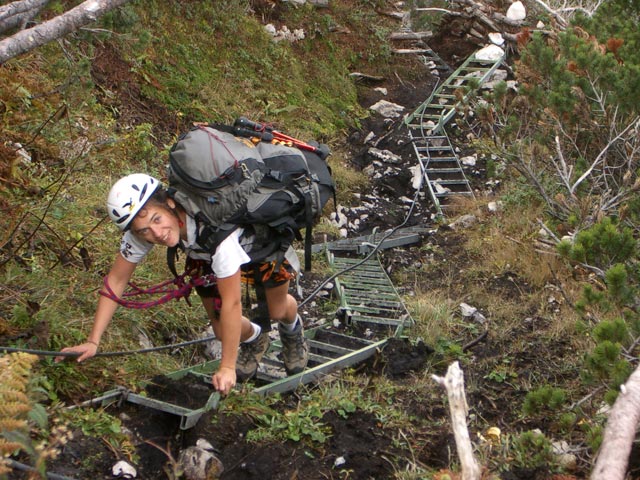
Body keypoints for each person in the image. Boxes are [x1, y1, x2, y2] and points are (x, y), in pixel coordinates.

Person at [58, 173, 309, 395]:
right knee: (223, 331)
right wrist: (93, 341)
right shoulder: (145, 228)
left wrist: (227, 367)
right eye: (144, 230)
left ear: (169, 203)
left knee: (277, 311)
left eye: (157, 219)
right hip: (204, 254)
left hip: (261, 247)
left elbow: (232, 302)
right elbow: (116, 279)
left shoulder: (216, 231)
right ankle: (256, 338)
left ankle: (292, 329)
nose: (156, 233)